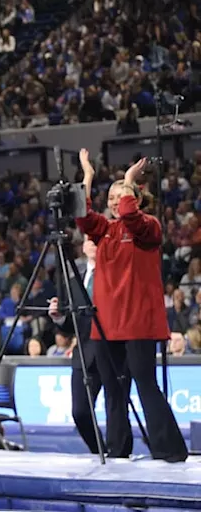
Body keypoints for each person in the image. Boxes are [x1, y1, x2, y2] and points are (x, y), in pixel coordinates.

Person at [76, 150, 188, 462]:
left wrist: (128, 182)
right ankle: (117, 450)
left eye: (120, 195)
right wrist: (87, 176)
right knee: (113, 391)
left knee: (146, 385)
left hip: (137, 322)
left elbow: (129, 214)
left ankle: (170, 450)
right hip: (106, 324)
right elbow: (82, 215)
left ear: (134, 197)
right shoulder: (105, 231)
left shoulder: (148, 226)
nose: (115, 201)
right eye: (110, 196)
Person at [47, 237, 122, 456]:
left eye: (97, 241)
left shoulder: (115, 277)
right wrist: (60, 318)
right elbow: (73, 325)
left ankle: (118, 453)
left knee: (115, 410)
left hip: (111, 352)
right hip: (84, 354)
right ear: (83, 246)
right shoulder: (74, 283)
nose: (93, 244)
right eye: (90, 240)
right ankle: (99, 451)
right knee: (79, 412)